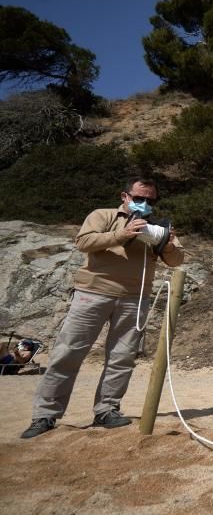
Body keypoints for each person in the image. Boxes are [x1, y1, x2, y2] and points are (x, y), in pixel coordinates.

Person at [20, 178, 184, 439]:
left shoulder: (158, 227)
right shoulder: (103, 215)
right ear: (124, 196)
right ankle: (45, 416)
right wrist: (122, 235)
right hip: (92, 294)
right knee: (68, 353)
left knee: (122, 357)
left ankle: (107, 410)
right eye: (139, 198)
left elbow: (176, 261)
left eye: (151, 201)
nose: (145, 204)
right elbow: (83, 242)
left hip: (134, 298)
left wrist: (168, 242)